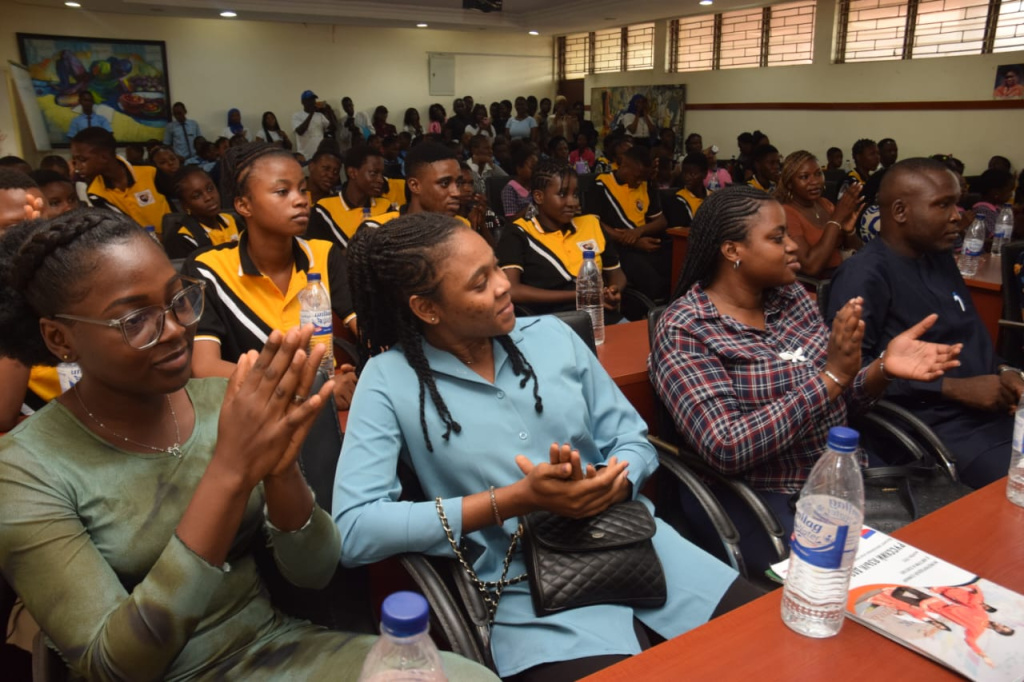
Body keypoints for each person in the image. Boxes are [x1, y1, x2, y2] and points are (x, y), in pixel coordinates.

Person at [0, 208, 494, 682]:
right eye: (135, 321)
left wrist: (282, 474)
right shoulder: (24, 469)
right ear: (59, 338)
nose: (175, 330)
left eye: (179, 300)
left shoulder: (223, 401)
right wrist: (230, 473)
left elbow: (315, 574)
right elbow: (119, 667)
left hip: (276, 648)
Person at [334, 212, 761, 681]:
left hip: (640, 547)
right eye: (480, 283)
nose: (504, 286)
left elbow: (631, 438)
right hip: (527, 593)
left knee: (771, 650)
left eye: (496, 267)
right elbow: (354, 529)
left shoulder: (552, 337)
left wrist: (612, 482)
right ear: (427, 308)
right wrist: (511, 501)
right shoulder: (388, 380)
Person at [650, 185, 961, 568]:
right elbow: (726, 447)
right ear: (732, 251)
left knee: (946, 547)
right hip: (762, 496)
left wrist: (880, 369)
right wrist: (830, 377)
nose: (794, 246)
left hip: (843, 475)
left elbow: (840, 400)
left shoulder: (792, 297)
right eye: (777, 237)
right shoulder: (686, 328)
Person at [826, 158, 1020, 489]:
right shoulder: (865, 275)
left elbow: (967, 335)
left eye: (956, 204)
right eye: (943, 205)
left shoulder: (939, 257)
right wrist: (955, 388)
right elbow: (850, 378)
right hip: (933, 428)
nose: (957, 215)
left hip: (994, 410)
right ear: (900, 211)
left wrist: (1004, 370)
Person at [183, 143, 358, 408]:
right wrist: (310, 388)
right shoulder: (208, 269)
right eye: (282, 191)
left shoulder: (323, 254)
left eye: (302, 189)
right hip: (255, 414)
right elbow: (205, 367)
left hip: (329, 404)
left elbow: (363, 326)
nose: (301, 200)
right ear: (244, 205)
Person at [498, 159, 625, 316]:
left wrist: (613, 290)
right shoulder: (518, 232)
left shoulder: (592, 224)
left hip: (601, 314)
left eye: (575, 194)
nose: (572, 202)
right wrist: (580, 295)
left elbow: (616, 273)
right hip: (555, 320)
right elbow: (512, 290)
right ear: (538, 196)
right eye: (562, 194)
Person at [594, 144, 671, 301]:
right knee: (650, 278)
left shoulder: (645, 185)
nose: (639, 181)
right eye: (637, 176)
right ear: (624, 164)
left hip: (643, 240)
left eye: (643, 177)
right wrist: (632, 241)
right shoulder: (600, 185)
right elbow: (594, 223)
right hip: (618, 246)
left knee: (676, 261)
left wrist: (638, 232)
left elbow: (661, 221)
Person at [776, 150, 864, 277]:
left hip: (842, 274)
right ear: (789, 183)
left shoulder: (825, 204)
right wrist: (836, 219)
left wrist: (849, 231)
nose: (815, 181)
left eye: (818, 174)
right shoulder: (786, 213)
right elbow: (811, 267)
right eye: (804, 177)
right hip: (817, 285)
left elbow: (859, 253)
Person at [72, 127, 172, 234]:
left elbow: (179, 203)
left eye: (82, 160)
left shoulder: (149, 172)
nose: (77, 167)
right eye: (75, 160)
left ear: (104, 157)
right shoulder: (95, 193)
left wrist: (177, 234)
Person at [307, 145, 391, 249]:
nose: (381, 180)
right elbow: (318, 252)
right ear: (352, 173)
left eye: (382, 174)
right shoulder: (324, 209)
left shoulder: (386, 207)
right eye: (373, 173)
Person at [162, 167, 241, 259]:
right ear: (185, 205)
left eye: (210, 189)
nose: (208, 197)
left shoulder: (231, 220)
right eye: (197, 196)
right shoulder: (180, 239)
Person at [971, 168, 1015, 238]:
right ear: (996, 192)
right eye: (1009, 190)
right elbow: (994, 237)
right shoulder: (983, 210)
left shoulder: (998, 207)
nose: (1011, 194)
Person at [292, 91, 337, 160]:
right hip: (304, 156)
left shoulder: (320, 115)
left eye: (313, 100)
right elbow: (300, 131)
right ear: (303, 102)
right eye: (309, 100)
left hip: (319, 155)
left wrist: (329, 111)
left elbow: (333, 128)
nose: (312, 102)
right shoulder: (297, 116)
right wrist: (311, 113)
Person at [500, 140, 539, 221]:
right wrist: (531, 209)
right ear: (519, 168)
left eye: (537, 167)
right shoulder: (510, 190)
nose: (535, 171)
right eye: (532, 168)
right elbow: (511, 220)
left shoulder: (536, 185)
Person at [672, 153, 710, 228]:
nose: (687, 177)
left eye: (692, 174)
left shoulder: (714, 197)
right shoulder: (678, 199)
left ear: (705, 174)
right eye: (684, 173)